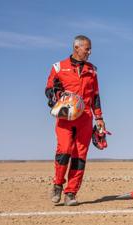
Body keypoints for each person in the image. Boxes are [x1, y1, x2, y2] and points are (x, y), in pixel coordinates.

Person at [45, 35, 106, 206]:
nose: (89, 52)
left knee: (79, 156)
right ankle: (57, 184)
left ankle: (70, 193)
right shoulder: (58, 67)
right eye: (87, 49)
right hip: (66, 116)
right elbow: (49, 89)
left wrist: (99, 117)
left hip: (85, 117)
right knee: (64, 150)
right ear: (76, 48)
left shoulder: (92, 70)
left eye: (90, 49)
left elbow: (95, 95)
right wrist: (59, 97)